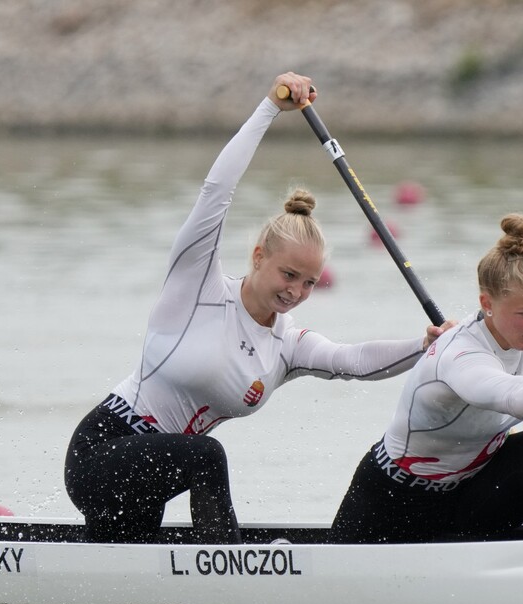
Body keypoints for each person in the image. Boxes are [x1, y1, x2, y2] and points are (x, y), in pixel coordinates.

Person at [65, 72, 447, 545]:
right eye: (288, 275)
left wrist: (426, 345)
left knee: (117, 590)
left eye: (309, 283)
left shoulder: (287, 346)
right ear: (259, 257)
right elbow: (215, 191)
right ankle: (229, 565)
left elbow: (354, 360)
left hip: (151, 479)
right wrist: (269, 109)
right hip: (104, 450)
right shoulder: (198, 286)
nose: (297, 292)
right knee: (208, 455)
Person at [329, 111, 523, 544]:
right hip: (392, 507)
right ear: (486, 304)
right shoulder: (459, 354)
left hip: (472, 495)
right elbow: (506, 393)